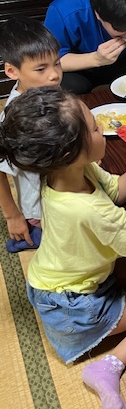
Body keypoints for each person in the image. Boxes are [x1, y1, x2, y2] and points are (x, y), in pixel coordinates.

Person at [0, 87, 126, 407]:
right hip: (74, 308)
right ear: (71, 152)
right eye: (95, 128)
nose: (102, 129)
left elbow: (117, 190)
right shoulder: (88, 210)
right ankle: (107, 367)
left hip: (56, 281)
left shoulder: (64, 172)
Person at [0, 17, 63, 252]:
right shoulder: (14, 119)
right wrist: (12, 215)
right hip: (42, 207)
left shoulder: (45, 89)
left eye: (57, 63)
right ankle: (28, 236)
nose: (54, 74)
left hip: (62, 190)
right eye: (41, 69)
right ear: (11, 71)